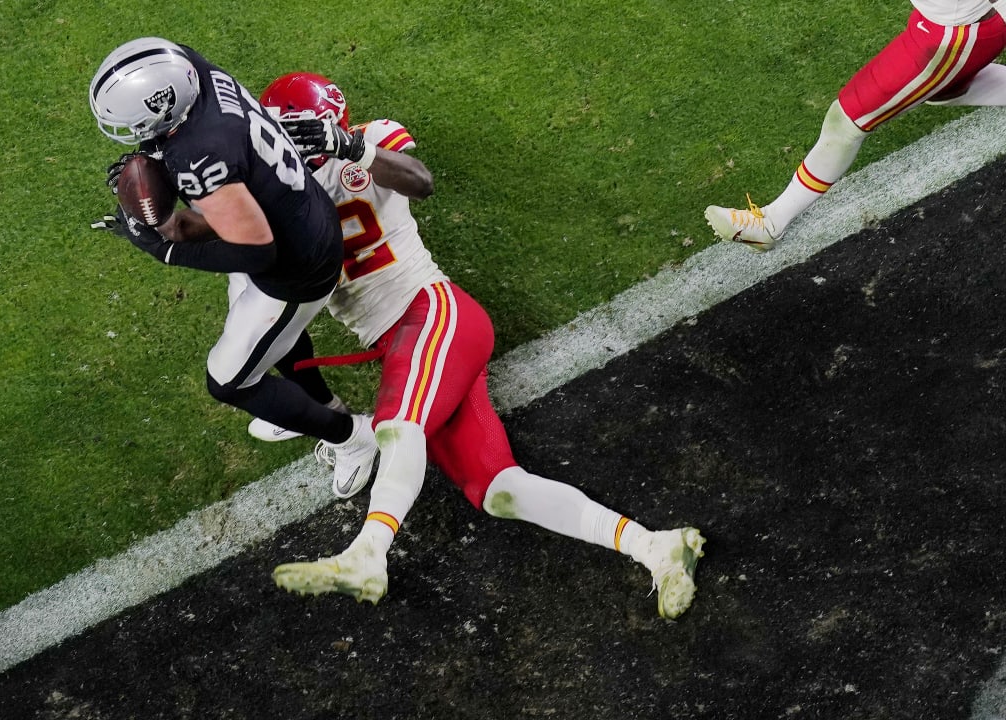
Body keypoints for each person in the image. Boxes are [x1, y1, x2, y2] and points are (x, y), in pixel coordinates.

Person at [257, 72, 706, 619]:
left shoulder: (367, 142)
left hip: (432, 313)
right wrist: (167, 235)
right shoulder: (273, 195)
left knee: (398, 426)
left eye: (298, 134)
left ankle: (367, 553)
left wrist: (349, 147)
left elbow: (419, 181)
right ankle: (657, 547)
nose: (287, 146)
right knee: (499, 490)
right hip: (399, 343)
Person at [87, 38, 378, 492]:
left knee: (229, 381)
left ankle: (354, 437)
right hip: (289, 206)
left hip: (293, 265)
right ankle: (319, 404)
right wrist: (160, 164)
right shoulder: (192, 69)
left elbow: (255, 252)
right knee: (273, 339)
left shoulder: (201, 157)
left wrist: (166, 248)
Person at [705, 0, 1006, 251]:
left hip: (955, 34)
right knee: (944, 91)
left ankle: (770, 223)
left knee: (846, 122)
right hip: (956, 23)